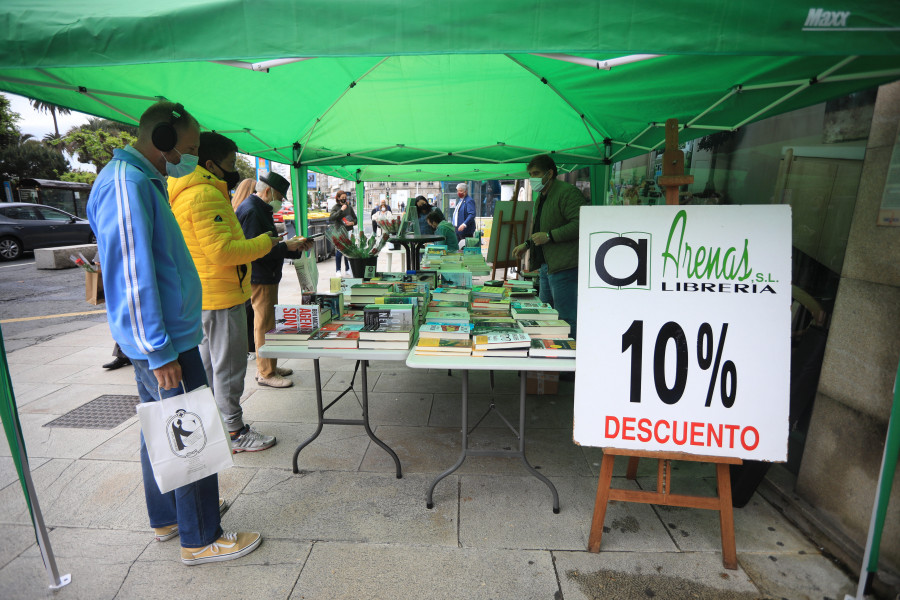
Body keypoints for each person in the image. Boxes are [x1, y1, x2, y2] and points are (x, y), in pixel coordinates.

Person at [87, 101, 261, 565]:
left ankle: (169, 516)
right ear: (161, 140)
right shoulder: (128, 184)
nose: (190, 156)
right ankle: (201, 536)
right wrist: (157, 350)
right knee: (190, 433)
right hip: (163, 342)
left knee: (162, 430)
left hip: (166, 337)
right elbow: (129, 275)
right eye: (186, 147)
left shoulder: (144, 181)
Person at [169, 131, 280, 453]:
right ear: (210, 163)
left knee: (209, 367)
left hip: (206, 293)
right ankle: (234, 431)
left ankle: (214, 426)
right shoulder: (204, 194)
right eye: (231, 163)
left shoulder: (191, 191)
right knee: (228, 368)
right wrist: (265, 243)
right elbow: (222, 251)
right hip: (221, 295)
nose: (234, 169)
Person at [236, 173, 313, 388]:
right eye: (279, 195)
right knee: (263, 324)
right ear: (268, 191)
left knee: (269, 323)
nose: (280, 201)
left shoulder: (259, 208)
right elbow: (257, 250)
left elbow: (267, 244)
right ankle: (266, 373)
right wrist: (286, 246)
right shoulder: (252, 210)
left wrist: (292, 246)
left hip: (266, 274)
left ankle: (269, 365)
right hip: (260, 275)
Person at [513, 154, 587, 339]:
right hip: (547, 266)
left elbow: (581, 223)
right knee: (546, 315)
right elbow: (542, 229)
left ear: (550, 173)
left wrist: (550, 236)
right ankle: (550, 355)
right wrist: (527, 244)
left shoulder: (566, 192)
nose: (532, 178)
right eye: (530, 174)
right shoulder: (542, 197)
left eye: (536, 173)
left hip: (565, 266)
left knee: (565, 317)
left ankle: (569, 364)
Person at [329, 190, 357, 276]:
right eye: (342, 198)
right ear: (338, 198)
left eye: (345, 198)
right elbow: (332, 218)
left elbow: (355, 219)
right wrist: (341, 210)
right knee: (339, 252)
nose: (344, 199)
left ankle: (348, 268)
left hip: (348, 231)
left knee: (347, 251)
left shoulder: (349, 207)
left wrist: (352, 223)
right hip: (340, 232)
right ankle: (338, 270)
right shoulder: (335, 207)